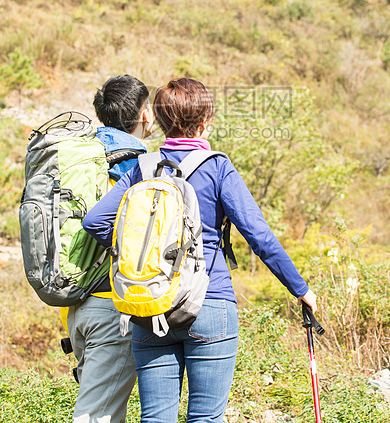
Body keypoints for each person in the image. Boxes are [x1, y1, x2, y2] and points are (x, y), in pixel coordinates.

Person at [83, 78, 317, 423]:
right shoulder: (217, 166)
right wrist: (301, 289)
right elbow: (259, 236)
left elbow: (95, 222)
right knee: (206, 418)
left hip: (151, 302)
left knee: (156, 419)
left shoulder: (143, 167)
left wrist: (136, 253)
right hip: (208, 301)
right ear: (205, 121)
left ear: (158, 121)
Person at [67, 74, 153, 423]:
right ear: (144, 114)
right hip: (111, 310)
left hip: (77, 306)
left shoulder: (84, 153)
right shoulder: (137, 162)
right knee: (95, 417)